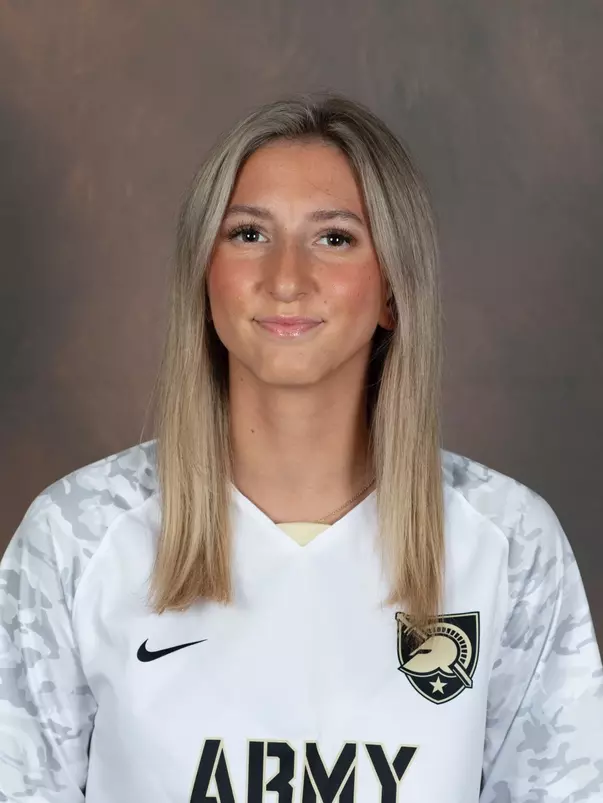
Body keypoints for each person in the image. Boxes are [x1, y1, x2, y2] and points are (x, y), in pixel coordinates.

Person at [0, 93, 601, 803]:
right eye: (248, 234)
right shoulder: (76, 537)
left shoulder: (508, 544)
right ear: (204, 278)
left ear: (392, 291)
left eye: (335, 238)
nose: (286, 278)